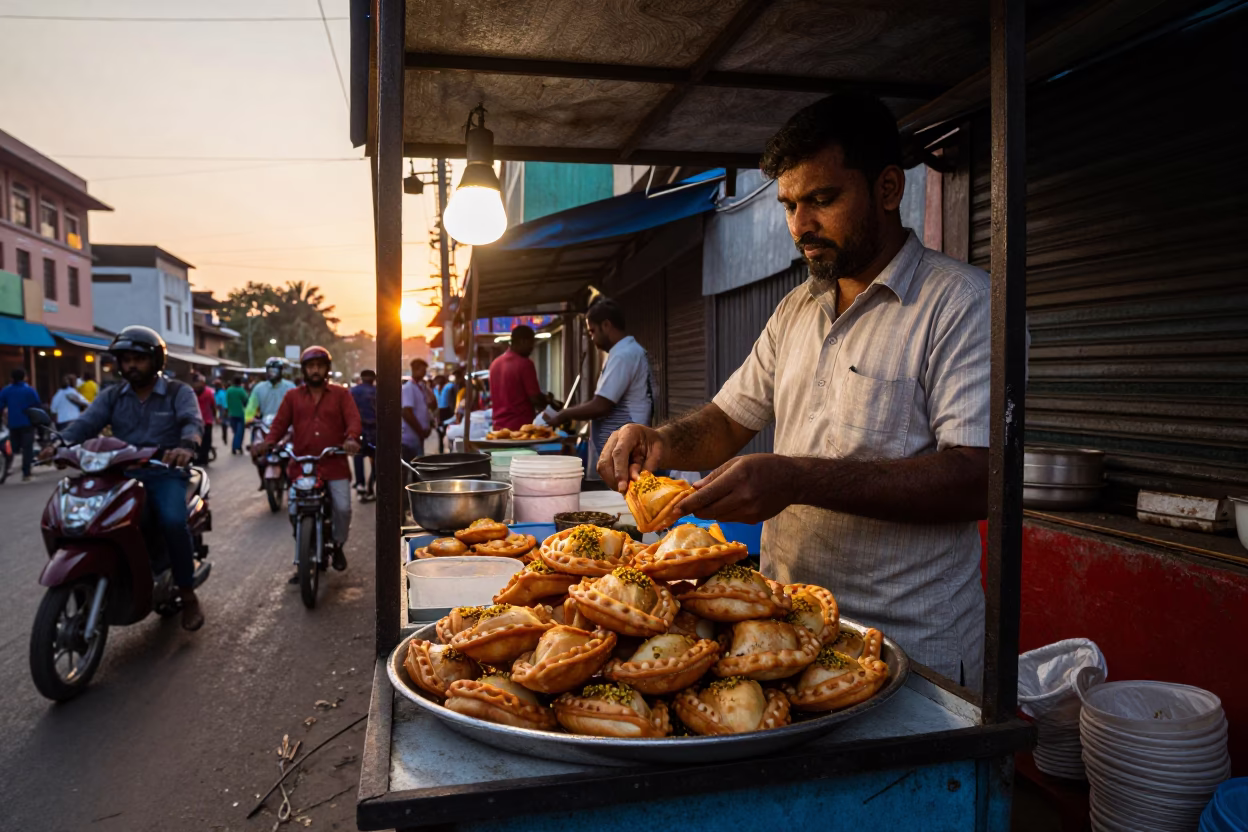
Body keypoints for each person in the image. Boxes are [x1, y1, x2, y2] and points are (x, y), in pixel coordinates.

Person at [598, 93, 996, 689]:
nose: (800, 227)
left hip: (915, 647)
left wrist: (796, 480)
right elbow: (729, 421)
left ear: (889, 189)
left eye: (822, 200)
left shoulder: (961, 304)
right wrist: (658, 441)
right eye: (788, 206)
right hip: (785, 629)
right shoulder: (796, 310)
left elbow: (977, 479)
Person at [43, 326, 206, 630]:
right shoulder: (113, 395)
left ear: (155, 361)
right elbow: (85, 424)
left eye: (138, 359)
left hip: (163, 473)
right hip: (119, 474)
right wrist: (59, 445)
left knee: (172, 520)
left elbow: (191, 422)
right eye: (125, 359)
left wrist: (185, 446)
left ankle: (187, 593)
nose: (130, 365)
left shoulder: (177, 392)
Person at [253, 346, 361, 580]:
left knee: (342, 508)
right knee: (294, 508)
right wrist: (268, 441)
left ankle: (339, 545)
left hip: (334, 463)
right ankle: (305, 554)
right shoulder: (292, 397)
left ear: (327, 369)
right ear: (304, 370)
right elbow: (279, 424)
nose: (315, 370)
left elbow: (353, 420)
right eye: (311, 366)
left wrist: (351, 438)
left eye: (319, 366)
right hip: (302, 465)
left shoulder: (341, 394)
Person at [547, 297, 655, 480]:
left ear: (606, 325)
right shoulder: (624, 352)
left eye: (592, 331)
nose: (592, 337)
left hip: (622, 452)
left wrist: (565, 414)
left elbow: (601, 405)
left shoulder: (623, 355)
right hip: (618, 449)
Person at [488, 325, 552, 431]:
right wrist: (550, 404)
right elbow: (535, 398)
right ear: (523, 341)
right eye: (531, 343)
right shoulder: (525, 364)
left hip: (499, 430)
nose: (532, 348)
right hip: (520, 430)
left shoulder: (495, 364)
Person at [0, 367, 43, 481]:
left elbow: (0, 405)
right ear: (24, 377)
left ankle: (7, 468)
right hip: (27, 423)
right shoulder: (29, 390)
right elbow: (37, 405)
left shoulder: (6, 390)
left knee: (12, 447)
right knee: (27, 448)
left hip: (13, 423)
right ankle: (26, 473)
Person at [349, 369, 377, 499]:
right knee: (376, 459)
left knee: (358, 456)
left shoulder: (353, 391)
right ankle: (371, 485)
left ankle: (360, 484)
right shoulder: (378, 391)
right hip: (375, 430)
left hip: (359, 429)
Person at [401, 358, 433, 462]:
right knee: (412, 470)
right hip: (410, 439)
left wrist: (427, 387)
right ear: (415, 370)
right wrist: (420, 431)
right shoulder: (408, 388)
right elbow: (406, 412)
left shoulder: (420, 387)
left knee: (418, 469)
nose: (424, 373)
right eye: (423, 370)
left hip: (418, 438)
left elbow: (433, 404)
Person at [249, 358, 295, 422]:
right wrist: (248, 418)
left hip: (286, 424)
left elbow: (297, 407)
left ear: (281, 371)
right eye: (271, 371)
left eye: (275, 371)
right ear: (267, 371)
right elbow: (251, 406)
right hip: (264, 424)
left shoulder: (290, 387)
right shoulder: (259, 388)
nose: (273, 374)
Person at [191, 373, 216, 465]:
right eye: (196, 383)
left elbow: (213, 406)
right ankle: (197, 458)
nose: (197, 385)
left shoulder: (208, 392)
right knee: (197, 441)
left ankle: (204, 458)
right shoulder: (191, 393)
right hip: (196, 421)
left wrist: (214, 416)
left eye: (199, 382)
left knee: (206, 441)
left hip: (207, 421)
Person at [225, 376, 248, 454]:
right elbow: (246, 400)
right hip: (240, 413)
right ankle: (236, 447)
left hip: (231, 414)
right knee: (240, 432)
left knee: (235, 432)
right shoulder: (241, 390)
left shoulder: (229, 390)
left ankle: (236, 447)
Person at [213, 379, 229, 444]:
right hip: (216, 408)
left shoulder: (222, 393)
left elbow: (224, 402)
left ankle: (224, 437)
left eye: (216, 385)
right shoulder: (215, 393)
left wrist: (225, 410)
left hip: (222, 409)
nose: (215, 387)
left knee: (224, 424)